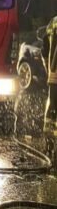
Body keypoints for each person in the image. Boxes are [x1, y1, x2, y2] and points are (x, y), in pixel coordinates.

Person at [42, 16, 57, 161]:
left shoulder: (53, 22)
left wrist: (49, 70)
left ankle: (50, 146)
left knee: (52, 111)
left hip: (54, 76)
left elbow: (44, 50)